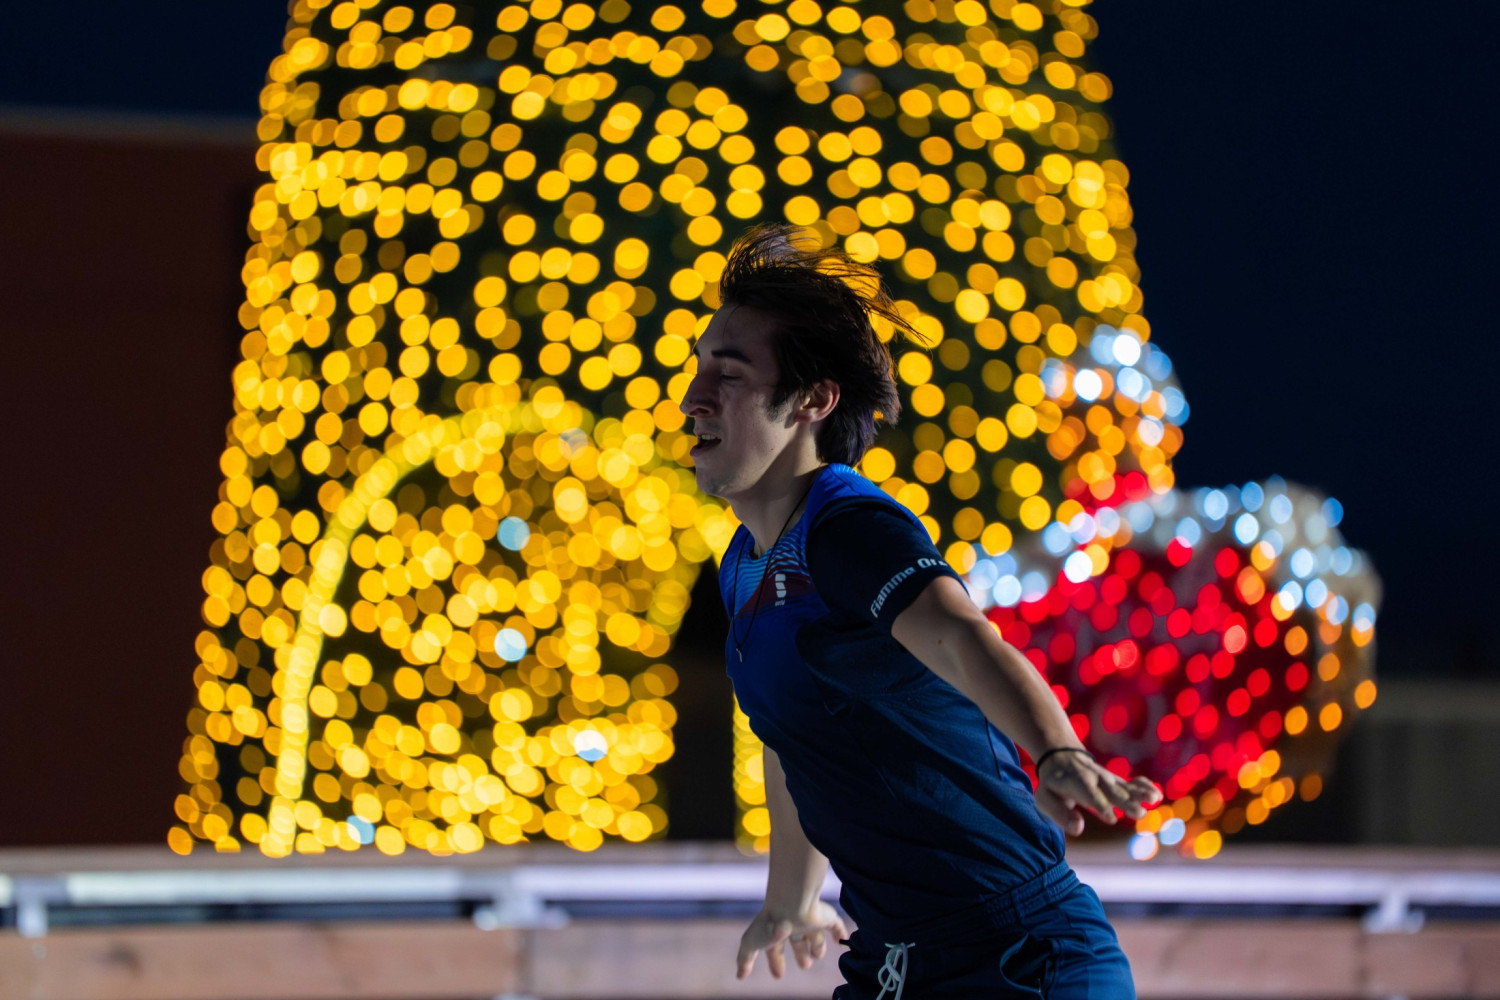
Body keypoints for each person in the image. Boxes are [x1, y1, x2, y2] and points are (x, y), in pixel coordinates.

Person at [679, 224, 1163, 999]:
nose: (693, 397)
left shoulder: (849, 528)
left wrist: (1055, 751)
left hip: (1022, 957)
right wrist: (789, 899)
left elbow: (962, 637)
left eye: (728, 374)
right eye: (700, 364)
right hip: (894, 964)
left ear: (813, 401)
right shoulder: (742, 566)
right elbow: (793, 739)